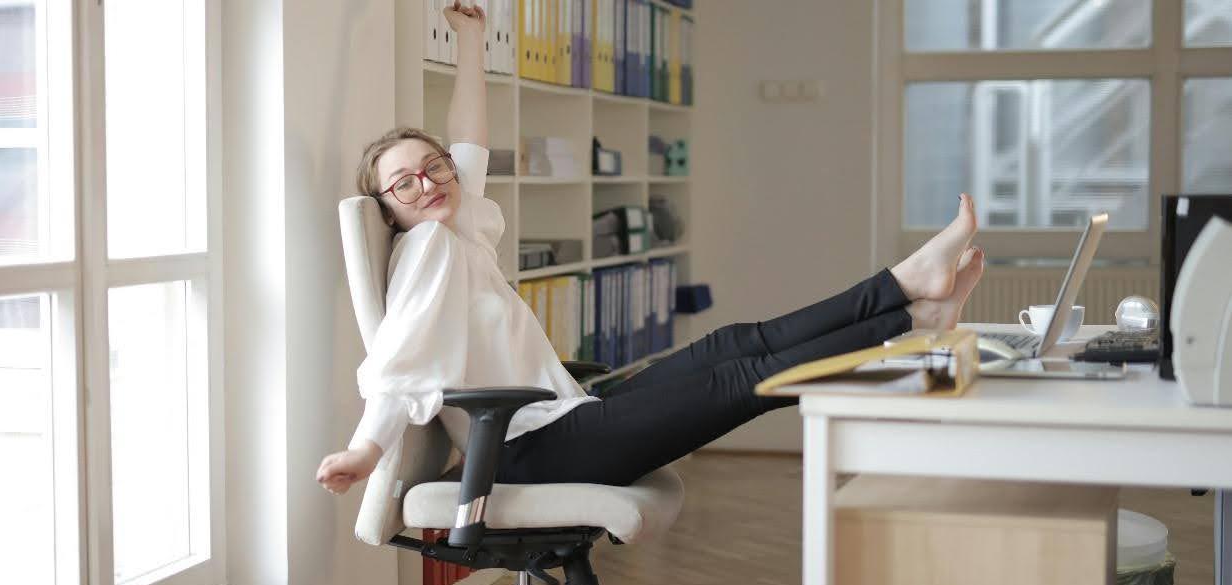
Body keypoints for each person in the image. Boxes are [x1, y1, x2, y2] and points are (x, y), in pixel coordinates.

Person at [317, 2, 985, 494]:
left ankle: (909, 297)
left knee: (730, 344)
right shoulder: (428, 246)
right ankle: (909, 315)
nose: (427, 181)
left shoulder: (454, 224)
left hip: (563, 416)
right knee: (738, 378)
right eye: (404, 182)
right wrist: (364, 451)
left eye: (433, 167)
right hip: (533, 452)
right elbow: (398, 362)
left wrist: (470, 41)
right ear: (387, 207)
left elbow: (468, 143)